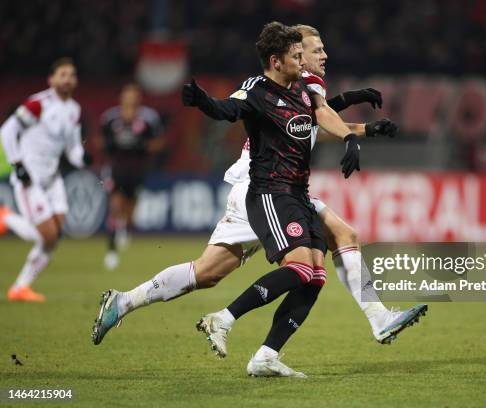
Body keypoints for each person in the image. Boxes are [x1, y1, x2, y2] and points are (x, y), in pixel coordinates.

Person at [92, 23, 424, 372]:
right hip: (261, 188)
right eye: (314, 50)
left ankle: (127, 302)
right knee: (324, 251)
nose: (322, 55)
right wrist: (354, 127)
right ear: (285, 57)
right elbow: (271, 112)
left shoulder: (305, 87)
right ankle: (371, 318)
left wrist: (360, 123)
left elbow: (314, 117)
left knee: (210, 273)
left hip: (287, 190)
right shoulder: (272, 87)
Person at [0, 58, 87, 302]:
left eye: (71, 74)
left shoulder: (74, 110)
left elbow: (72, 150)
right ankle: (6, 217)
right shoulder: (39, 104)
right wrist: (17, 163)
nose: (68, 79)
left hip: (52, 178)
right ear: (51, 79)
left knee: (54, 236)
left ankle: (20, 288)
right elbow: (7, 131)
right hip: (30, 178)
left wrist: (84, 158)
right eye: (63, 74)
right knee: (46, 236)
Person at [99, 83, 164, 270]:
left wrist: (141, 145)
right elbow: (101, 141)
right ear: (122, 97)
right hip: (115, 168)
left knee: (129, 213)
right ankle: (111, 252)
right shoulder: (110, 118)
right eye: (127, 94)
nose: (130, 98)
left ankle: (124, 228)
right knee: (115, 206)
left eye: (134, 94)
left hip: (137, 169)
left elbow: (158, 143)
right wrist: (114, 144)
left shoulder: (149, 118)